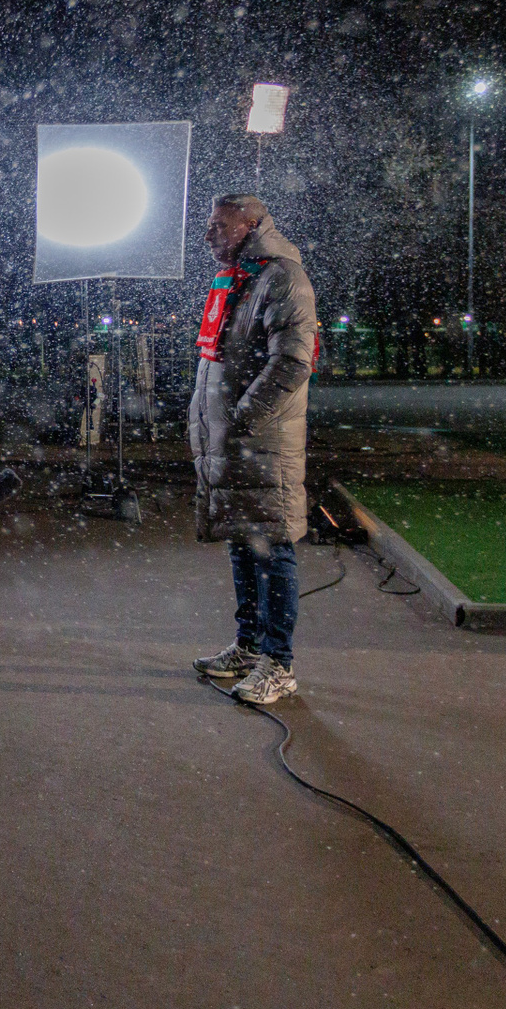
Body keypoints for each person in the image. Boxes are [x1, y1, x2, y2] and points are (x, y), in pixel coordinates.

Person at [188, 195, 318, 705]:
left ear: (251, 225)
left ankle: (278, 664)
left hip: (262, 442)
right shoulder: (240, 278)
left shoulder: (283, 277)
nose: (209, 236)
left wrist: (242, 418)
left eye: (219, 226)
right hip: (236, 442)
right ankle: (248, 647)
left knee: (272, 546)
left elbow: (292, 362)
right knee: (243, 541)